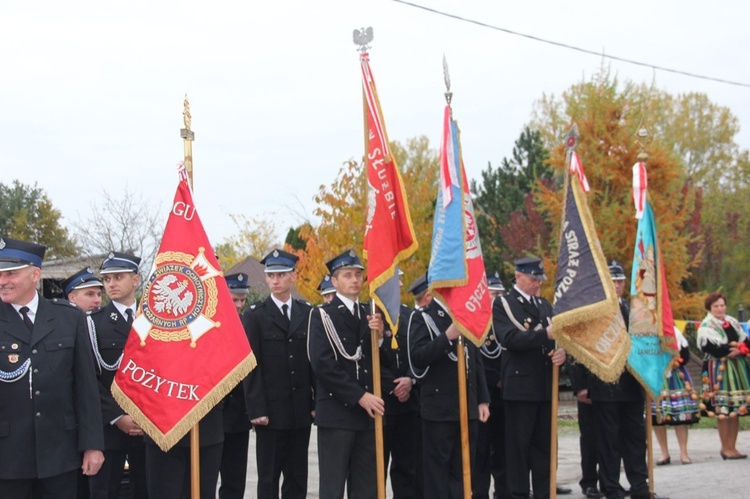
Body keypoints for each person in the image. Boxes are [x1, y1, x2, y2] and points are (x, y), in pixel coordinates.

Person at [0, 237, 104, 499]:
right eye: (0, 274)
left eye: (11, 273)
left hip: (60, 454)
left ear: (35, 274)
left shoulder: (68, 317)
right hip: (7, 458)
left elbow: (86, 388)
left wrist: (93, 446)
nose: (3, 281)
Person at [308, 249, 385, 499]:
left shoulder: (370, 314)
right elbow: (323, 365)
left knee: (366, 488)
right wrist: (360, 396)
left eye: (358, 275)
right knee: (333, 488)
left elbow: (373, 362)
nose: (354, 280)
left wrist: (380, 336)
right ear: (334, 281)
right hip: (337, 414)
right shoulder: (322, 315)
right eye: (347, 275)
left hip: (367, 416)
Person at [408, 275, 490, 499]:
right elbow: (418, 357)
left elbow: (475, 359)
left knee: (464, 469)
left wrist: (482, 398)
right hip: (439, 408)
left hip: (468, 405)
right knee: (437, 473)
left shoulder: (464, 315)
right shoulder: (423, 317)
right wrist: (447, 337)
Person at [588, 260, 662, 499]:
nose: (618, 284)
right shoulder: (595, 311)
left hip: (631, 385)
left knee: (635, 439)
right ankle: (611, 487)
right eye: (613, 280)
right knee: (609, 441)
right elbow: (581, 349)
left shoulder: (633, 310)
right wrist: (581, 385)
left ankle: (640, 486)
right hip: (605, 384)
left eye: (620, 280)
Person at [243, 250, 314, 499]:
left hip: (300, 412)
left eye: (281, 274)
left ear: (292, 276)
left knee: (297, 478)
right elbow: (251, 366)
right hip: (270, 414)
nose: (276, 280)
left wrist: (314, 404)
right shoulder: (256, 315)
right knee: (268, 478)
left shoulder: (307, 313)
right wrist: (256, 409)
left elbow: (312, 362)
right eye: (271, 275)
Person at [493, 257, 565, 499]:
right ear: (519, 276)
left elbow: (556, 338)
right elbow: (510, 339)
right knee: (518, 451)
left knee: (543, 450)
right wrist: (545, 334)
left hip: (544, 387)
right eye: (533, 279)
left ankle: (545, 493)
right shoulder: (504, 304)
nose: (537, 284)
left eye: (539, 279)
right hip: (520, 388)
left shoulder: (544, 306)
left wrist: (561, 352)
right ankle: (518, 495)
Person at [88, 252, 148, 499]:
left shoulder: (153, 320)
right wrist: (117, 417)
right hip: (110, 427)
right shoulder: (93, 323)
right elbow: (89, 379)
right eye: (107, 279)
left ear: (135, 280)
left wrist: (148, 415)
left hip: (149, 424)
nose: (111, 284)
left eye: (118, 277)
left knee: (146, 490)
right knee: (106, 492)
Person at [61, 267, 105, 499]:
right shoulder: (61, 326)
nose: (97, 300)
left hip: (97, 424)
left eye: (99, 294)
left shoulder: (98, 323)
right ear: (71, 297)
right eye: (89, 294)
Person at [697, 291, 750, 460]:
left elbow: (745, 340)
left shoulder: (732, 322)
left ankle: (733, 447)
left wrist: (740, 350)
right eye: (716, 306)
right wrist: (733, 351)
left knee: (735, 408)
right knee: (723, 409)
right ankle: (725, 447)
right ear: (710, 308)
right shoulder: (706, 326)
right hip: (717, 368)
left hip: (736, 367)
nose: (719, 309)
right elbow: (712, 349)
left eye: (721, 305)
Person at [380, 273, 420, 499]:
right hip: (382, 404)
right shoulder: (371, 315)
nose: (402, 285)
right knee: (377, 468)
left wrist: (410, 380)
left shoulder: (411, 316)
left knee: (407, 468)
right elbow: (368, 357)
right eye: (397, 281)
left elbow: (419, 354)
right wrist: (393, 385)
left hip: (409, 403)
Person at [218, 272, 253, 499]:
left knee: (234, 480)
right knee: (205, 478)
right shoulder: (209, 326)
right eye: (234, 300)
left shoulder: (249, 323)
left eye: (242, 300)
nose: (239, 305)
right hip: (212, 413)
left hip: (239, 414)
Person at [473, 271, 507, 499]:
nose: (496, 299)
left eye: (499, 295)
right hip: (483, 393)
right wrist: (494, 379)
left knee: (504, 448)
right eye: (492, 294)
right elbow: (476, 362)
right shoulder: (475, 323)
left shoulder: (505, 320)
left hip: (505, 394)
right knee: (481, 450)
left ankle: (503, 492)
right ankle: (480, 493)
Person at [652, 325, 700, 466]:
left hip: (676, 376)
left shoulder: (674, 331)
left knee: (681, 416)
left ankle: (684, 452)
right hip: (657, 376)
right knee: (658, 416)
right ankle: (664, 452)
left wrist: (675, 362)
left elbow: (685, 354)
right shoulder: (646, 332)